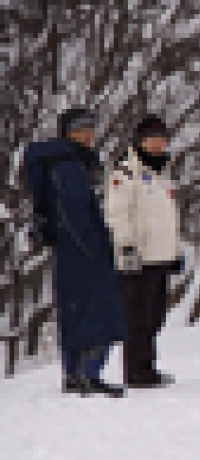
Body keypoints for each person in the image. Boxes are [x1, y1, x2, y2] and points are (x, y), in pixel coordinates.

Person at [24, 108, 127, 397]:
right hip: (82, 250)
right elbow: (72, 212)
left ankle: (74, 373)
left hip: (72, 250)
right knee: (95, 310)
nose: (88, 134)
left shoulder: (65, 161)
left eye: (91, 128)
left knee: (75, 310)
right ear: (67, 132)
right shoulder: (67, 164)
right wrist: (92, 245)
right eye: (81, 129)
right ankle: (88, 374)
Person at [104, 115, 183, 388]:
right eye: (152, 138)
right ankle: (136, 371)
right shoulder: (126, 173)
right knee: (137, 317)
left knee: (155, 316)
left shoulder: (163, 173)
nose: (158, 144)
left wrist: (175, 251)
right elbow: (117, 213)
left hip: (160, 255)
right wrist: (125, 245)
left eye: (162, 138)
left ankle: (148, 366)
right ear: (139, 141)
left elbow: (168, 218)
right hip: (137, 257)